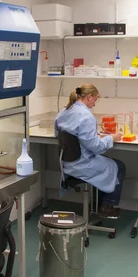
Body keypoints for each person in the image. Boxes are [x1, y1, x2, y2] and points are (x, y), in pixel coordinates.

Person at [54, 83, 126, 219]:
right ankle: (106, 207)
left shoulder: (64, 112)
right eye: (95, 99)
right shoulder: (87, 116)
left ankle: (98, 206)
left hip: (67, 164)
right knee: (119, 166)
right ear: (89, 97)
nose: (94, 103)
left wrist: (94, 136)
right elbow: (96, 148)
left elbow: (60, 135)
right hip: (83, 165)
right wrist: (111, 138)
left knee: (108, 166)